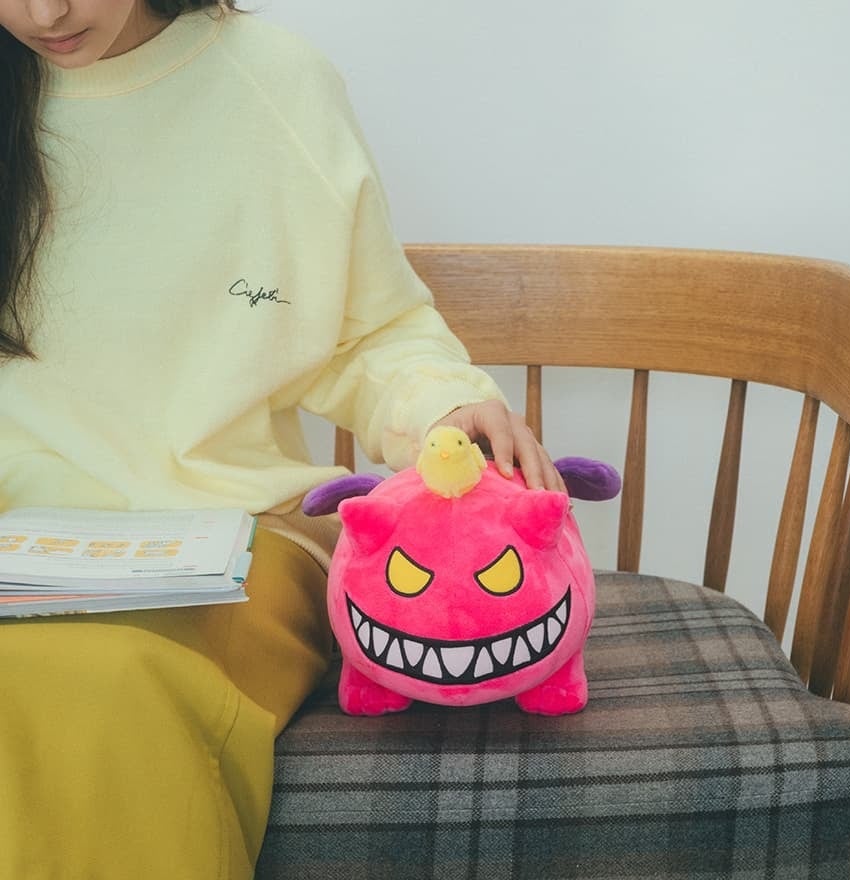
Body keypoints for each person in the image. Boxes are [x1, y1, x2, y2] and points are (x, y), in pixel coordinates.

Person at [0, 2, 563, 877]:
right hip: (16, 547)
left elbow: (370, 333)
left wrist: (442, 406)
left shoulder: (273, 84)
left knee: (85, 679)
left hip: (237, 544)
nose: (46, 13)